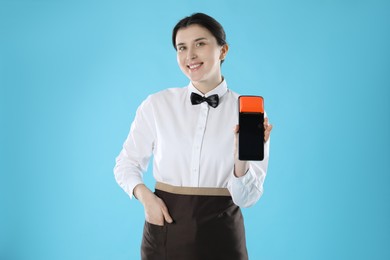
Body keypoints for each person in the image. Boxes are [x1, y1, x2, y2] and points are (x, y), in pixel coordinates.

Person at [114, 12, 273, 260]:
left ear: (223, 50)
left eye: (200, 43)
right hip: (164, 231)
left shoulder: (248, 114)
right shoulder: (157, 105)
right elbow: (126, 163)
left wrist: (240, 161)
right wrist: (146, 198)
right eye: (182, 47)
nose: (190, 56)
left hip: (222, 237)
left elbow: (247, 198)